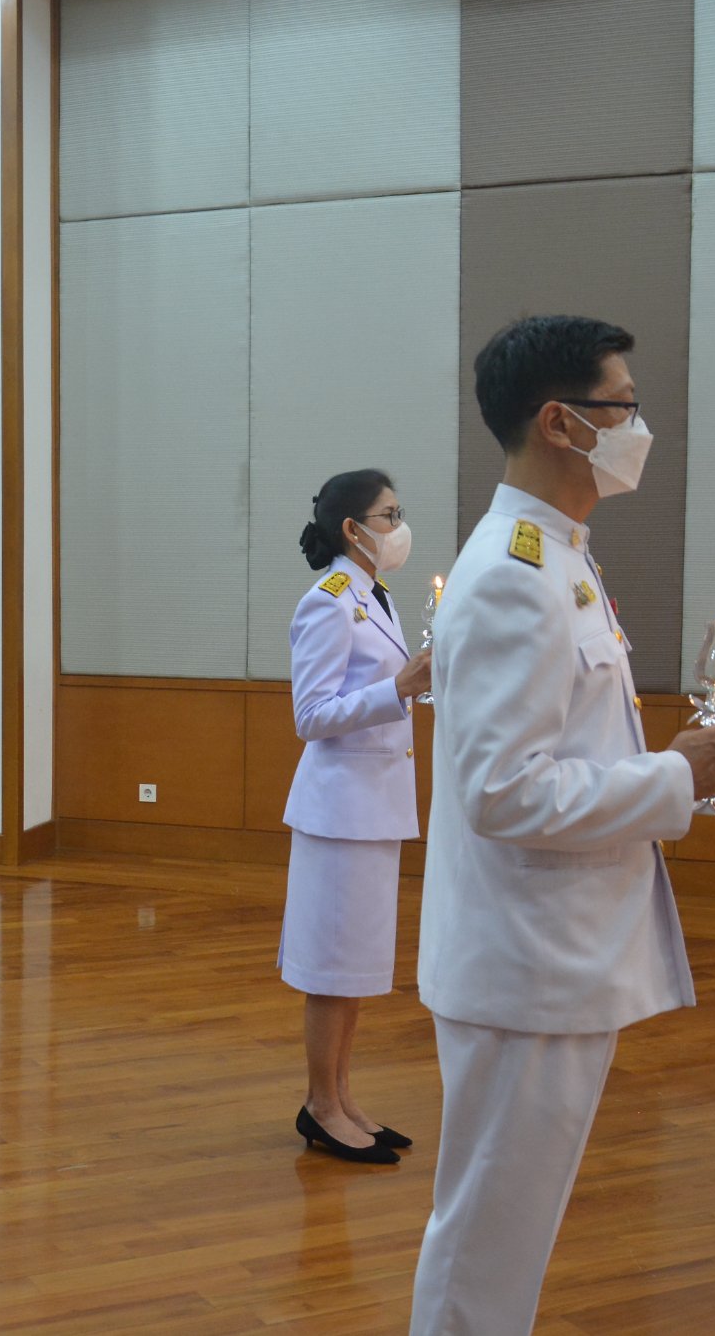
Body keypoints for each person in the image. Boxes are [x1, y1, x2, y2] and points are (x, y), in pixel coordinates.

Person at [408, 316, 715, 1334]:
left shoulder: (557, 555)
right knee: (485, 1242)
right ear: (560, 422)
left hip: (549, 957)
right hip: (526, 965)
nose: (638, 427)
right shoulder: (513, 576)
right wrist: (673, 777)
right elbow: (503, 792)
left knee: (506, 1235)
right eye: (621, 407)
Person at [280, 469, 431, 1164]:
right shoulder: (329, 601)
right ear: (352, 528)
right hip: (339, 811)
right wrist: (397, 687)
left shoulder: (376, 597)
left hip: (375, 809)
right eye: (388, 515)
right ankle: (320, 1104)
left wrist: (406, 685)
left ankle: (343, 1096)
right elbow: (310, 716)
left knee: (359, 968)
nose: (399, 527)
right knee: (332, 968)